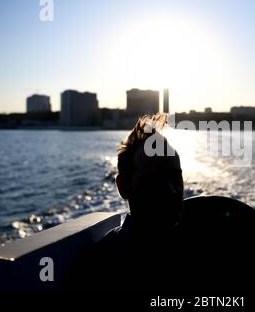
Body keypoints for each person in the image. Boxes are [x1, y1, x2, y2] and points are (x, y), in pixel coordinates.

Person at [64, 113, 185, 291]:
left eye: (176, 179)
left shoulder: (204, 244)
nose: (172, 191)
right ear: (123, 187)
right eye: (154, 182)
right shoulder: (99, 267)